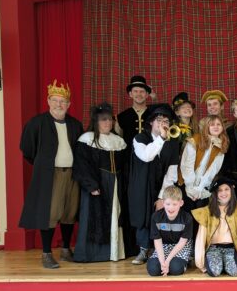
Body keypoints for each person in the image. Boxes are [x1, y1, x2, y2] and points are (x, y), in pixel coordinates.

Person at [19, 80, 83, 268]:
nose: (58, 104)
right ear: (48, 101)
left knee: (70, 212)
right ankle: (46, 253)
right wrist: (43, 166)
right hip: (50, 175)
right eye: (55, 100)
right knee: (50, 213)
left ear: (69, 104)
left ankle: (65, 249)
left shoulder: (75, 124)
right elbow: (27, 149)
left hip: (72, 174)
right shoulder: (37, 123)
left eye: (63, 101)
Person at [73, 102, 128, 262]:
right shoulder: (87, 139)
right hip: (97, 183)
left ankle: (114, 252)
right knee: (95, 217)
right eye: (104, 120)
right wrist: (91, 185)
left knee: (115, 215)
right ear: (96, 122)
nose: (108, 122)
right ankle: (93, 254)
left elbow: (125, 166)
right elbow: (82, 164)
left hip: (115, 184)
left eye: (110, 119)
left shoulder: (118, 141)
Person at [129, 104, 179, 265]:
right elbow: (146, 156)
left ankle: (160, 250)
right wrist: (161, 138)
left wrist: (162, 197)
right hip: (142, 185)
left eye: (166, 121)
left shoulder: (172, 142)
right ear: (151, 122)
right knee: (143, 215)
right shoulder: (140, 138)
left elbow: (172, 171)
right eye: (159, 120)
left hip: (161, 185)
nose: (163, 123)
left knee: (162, 215)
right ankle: (143, 249)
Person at [192, 177, 237, 277]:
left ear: (231, 190)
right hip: (214, 248)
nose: (223, 193)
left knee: (236, 270)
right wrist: (200, 262)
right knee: (215, 272)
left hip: (231, 248)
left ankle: (225, 264)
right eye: (220, 190)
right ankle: (221, 264)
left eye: (226, 189)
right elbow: (201, 237)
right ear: (215, 193)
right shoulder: (207, 211)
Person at [179, 115, 228, 212]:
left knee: (200, 215)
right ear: (207, 127)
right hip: (186, 184)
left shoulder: (221, 144)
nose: (216, 127)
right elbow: (187, 165)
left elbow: (213, 170)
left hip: (202, 188)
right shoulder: (195, 139)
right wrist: (190, 186)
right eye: (212, 124)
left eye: (218, 124)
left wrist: (200, 188)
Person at [147, 185, 193, 276]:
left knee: (175, 269)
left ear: (181, 203)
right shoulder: (156, 217)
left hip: (180, 246)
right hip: (164, 245)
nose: (171, 208)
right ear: (163, 203)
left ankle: (186, 261)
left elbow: (182, 242)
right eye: (168, 204)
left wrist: (167, 261)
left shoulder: (187, 218)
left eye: (174, 204)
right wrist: (162, 262)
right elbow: (157, 241)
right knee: (153, 270)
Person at [116, 75, 152, 156]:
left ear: (147, 94)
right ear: (130, 94)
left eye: (142, 91)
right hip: (128, 159)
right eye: (135, 91)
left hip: (151, 158)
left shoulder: (154, 115)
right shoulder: (121, 117)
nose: (139, 94)